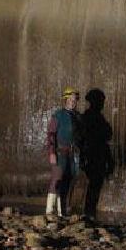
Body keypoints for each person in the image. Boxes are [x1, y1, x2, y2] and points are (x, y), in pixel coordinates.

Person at [45, 87, 81, 216]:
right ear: (65, 100)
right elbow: (50, 134)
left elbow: (80, 137)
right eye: (70, 99)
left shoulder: (78, 117)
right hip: (59, 152)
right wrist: (52, 153)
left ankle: (62, 212)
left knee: (68, 180)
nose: (72, 102)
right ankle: (49, 211)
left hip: (72, 154)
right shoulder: (58, 115)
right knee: (57, 179)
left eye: (75, 99)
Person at [80, 89, 113, 219]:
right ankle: (89, 212)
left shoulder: (93, 116)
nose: (102, 104)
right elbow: (104, 135)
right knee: (94, 184)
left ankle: (90, 211)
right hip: (93, 154)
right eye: (101, 101)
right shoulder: (91, 117)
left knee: (95, 184)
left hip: (96, 153)